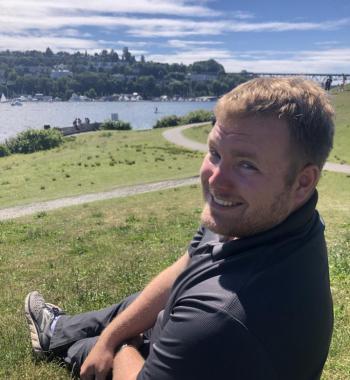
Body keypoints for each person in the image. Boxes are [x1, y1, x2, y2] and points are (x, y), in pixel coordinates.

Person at [24, 77, 334, 380]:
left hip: (186, 353)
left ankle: (61, 340)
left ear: (303, 181)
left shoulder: (216, 320)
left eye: (247, 165)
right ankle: (56, 329)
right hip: (188, 337)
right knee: (132, 306)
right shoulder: (283, 220)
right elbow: (188, 265)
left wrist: (119, 348)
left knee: (89, 350)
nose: (215, 180)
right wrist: (111, 336)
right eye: (215, 153)